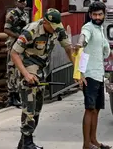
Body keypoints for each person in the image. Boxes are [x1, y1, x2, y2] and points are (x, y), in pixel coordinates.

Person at [10, 8, 74, 149]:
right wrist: (26, 74)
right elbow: (14, 53)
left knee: (37, 107)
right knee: (29, 106)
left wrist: (77, 70)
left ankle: (24, 142)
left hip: (41, 70)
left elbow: (68, 48)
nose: (55, 29)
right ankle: (27, 142)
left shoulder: (58, 28)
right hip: (26, 68)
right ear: (45, 22)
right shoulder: (31, 31)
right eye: (52, 26)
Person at [75, 1, 113, 149]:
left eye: (100, 14)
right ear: (90, 15)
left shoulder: (100, 29)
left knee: (97, 109)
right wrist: (80, 44)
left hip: (99, 74)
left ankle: (94, 141)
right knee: (89, 108)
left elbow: (103, 45)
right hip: (89, 75)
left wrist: (110, 53)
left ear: (104, 14)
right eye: (94, 14)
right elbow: (83, 38)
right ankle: (86, 144)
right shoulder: (88, 27)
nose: (97, 17)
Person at [4, 0, 30, 107]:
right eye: (21, 1)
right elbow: (6, 29)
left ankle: (18, 93)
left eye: (24, 1)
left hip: (22, 45)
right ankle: (12, 95)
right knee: (12, 69)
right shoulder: (12, 14)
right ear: (16, 2)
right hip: (14, 44)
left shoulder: (25, 14)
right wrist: (17, 36)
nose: (23, 3)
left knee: (19, 69)